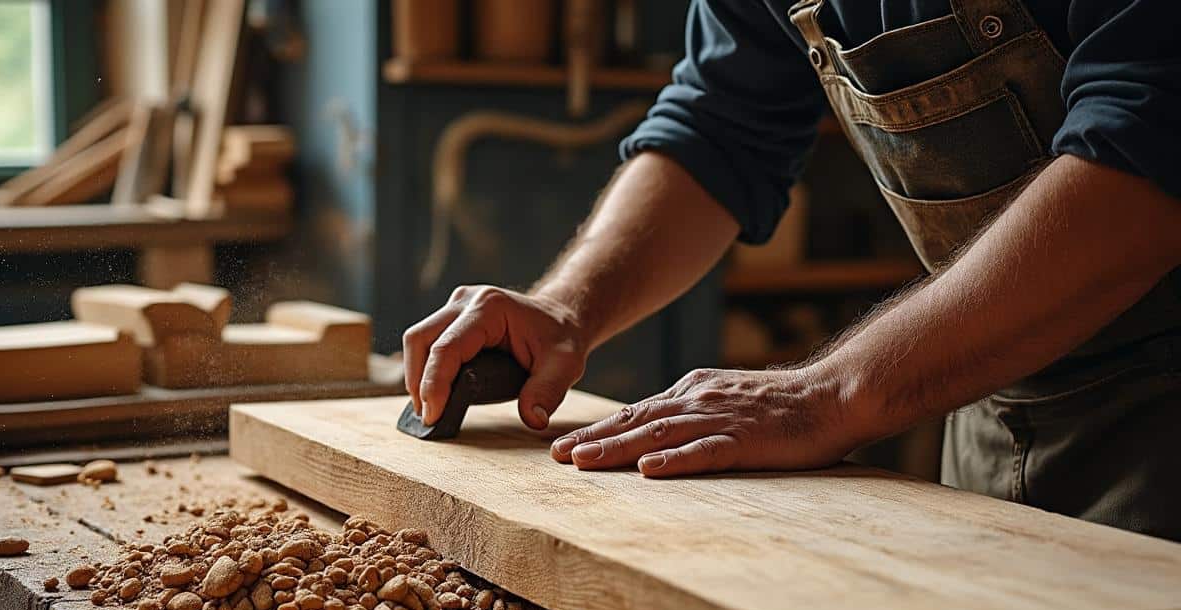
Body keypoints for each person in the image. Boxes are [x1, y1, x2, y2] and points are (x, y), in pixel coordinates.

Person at [402, 0, 1181, 540]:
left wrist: (827, 395)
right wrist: (567, 307)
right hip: (988, 391)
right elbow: (719, 125)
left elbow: (1143, 168)